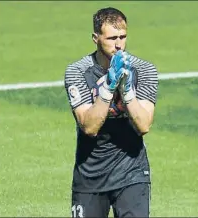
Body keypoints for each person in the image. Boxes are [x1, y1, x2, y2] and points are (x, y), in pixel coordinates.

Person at [64, 7, 158, 218]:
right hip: (90, 176)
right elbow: (89, 126)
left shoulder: (144, 70)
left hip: (132, 173)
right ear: (95, 38)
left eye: (123, 37)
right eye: (112, 38)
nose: (118, 45)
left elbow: (143, 125)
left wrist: (126, 91)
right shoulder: (77, 72)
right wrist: (108, 87)